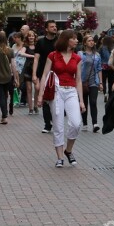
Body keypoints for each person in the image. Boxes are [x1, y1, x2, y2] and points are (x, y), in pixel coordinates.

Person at [37, 30, 85, 167]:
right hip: (57, 91)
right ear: (66, 40)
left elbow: (79, 80)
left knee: (76, 123)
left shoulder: (77, 58)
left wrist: (81, 100)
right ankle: (59, 157)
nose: (76, 41)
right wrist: (40, 95)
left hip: (71, 91)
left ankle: (68, 150)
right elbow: (45, 75)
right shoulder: (53, 56)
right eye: (74, 38)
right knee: (58, 124)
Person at [33, 21, 59, 133]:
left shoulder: (59, 42)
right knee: (44, 98)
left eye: (55, 26)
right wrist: (34, 74)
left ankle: (55, 120)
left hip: (57, 73)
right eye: (52, 26)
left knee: (56, 98)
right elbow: (36, 58)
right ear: (46, 29)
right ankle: (47, 124)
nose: (54, 28)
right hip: (43, 73)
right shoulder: (40, 42)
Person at [0, 31, 17, 124]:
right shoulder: (10, 50)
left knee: (1, 96)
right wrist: (16, 78)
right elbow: (13, 65)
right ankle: (6, 113)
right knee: (6, 96)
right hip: (8, 76)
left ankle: (4, 116)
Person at [80, 35, 103, 132]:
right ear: (85, 43)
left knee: (93, 102)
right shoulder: (80, 54)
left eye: (92, 40)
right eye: (89, 41)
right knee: (84, 104)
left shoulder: (97, 55)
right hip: (82, 82)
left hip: (93, 82)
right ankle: (85, 123)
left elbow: (99, 69)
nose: (91, 42)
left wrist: (101, 82)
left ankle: (95, 123)